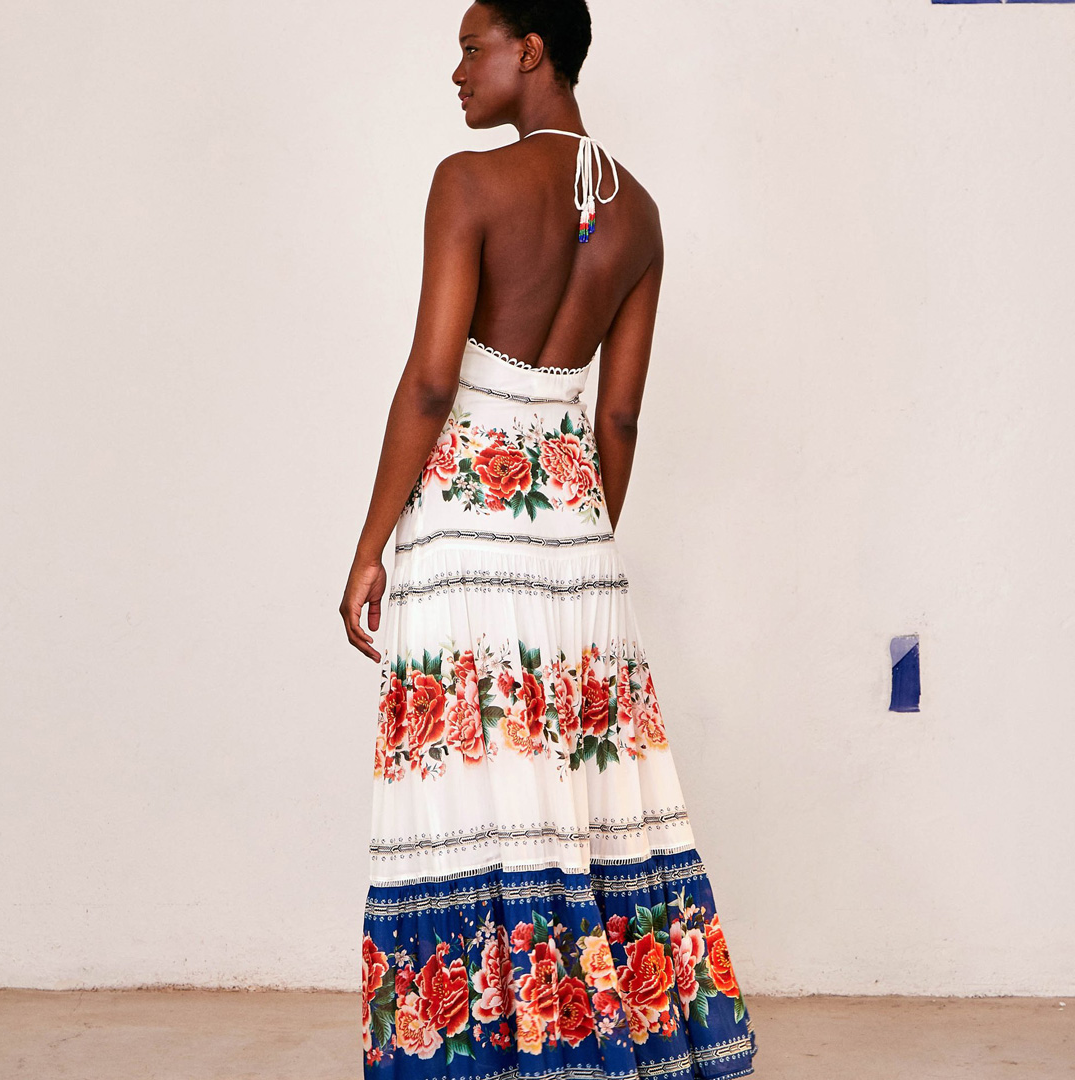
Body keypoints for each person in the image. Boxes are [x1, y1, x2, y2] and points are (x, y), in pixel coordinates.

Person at [340, 2, 758, 1077]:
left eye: (471, 48)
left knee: (472, 790)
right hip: (575, 530)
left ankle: (481, 1054)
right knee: (581, 786)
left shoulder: (468, 184)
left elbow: (433, 381)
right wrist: (580, 547)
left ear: (531, 52)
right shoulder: (641, 216)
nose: (457, 72)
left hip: (466, 521)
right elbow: (618, 417)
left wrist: (369, 545)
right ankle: (602, 1038)